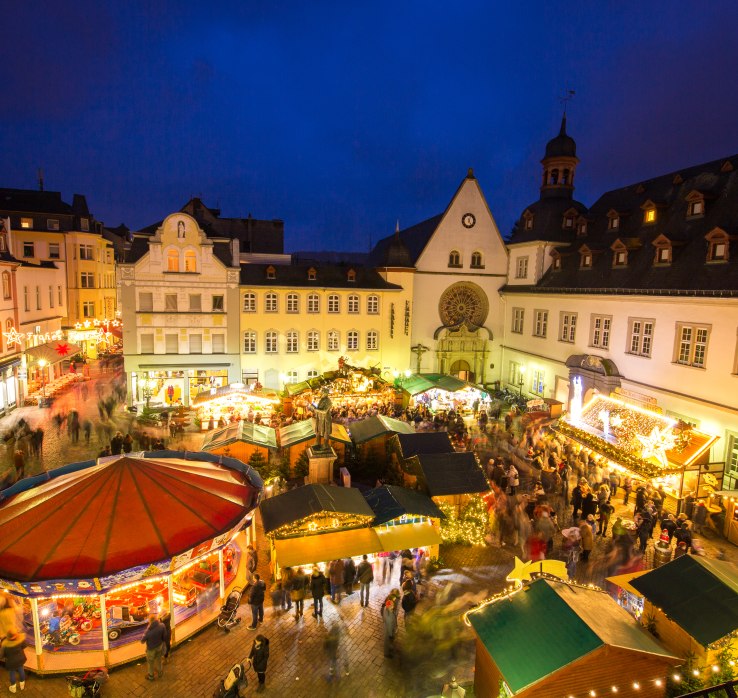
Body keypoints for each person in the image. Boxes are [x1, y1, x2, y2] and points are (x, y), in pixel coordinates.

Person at [140, 614, 166, 681]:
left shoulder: (148, 631)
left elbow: (142, 641)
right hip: (159, 646)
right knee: (159, 660)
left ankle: (151, 676)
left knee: (150, 663)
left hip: (151, 649)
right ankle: (160, 672)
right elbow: (164, 636)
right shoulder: (162, 625)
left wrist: (145, 633)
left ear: (150, 621)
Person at [381, 591, 400, 658]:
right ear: (389, 607)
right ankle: (386, 653)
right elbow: (389, 626)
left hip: (388, 627)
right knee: (387, 640)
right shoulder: (389, 616)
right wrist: (391, 635)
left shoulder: (387, 609)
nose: (393, 606)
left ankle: (389, 647)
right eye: (392, 605)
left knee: (388, 641)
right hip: (388, 630)